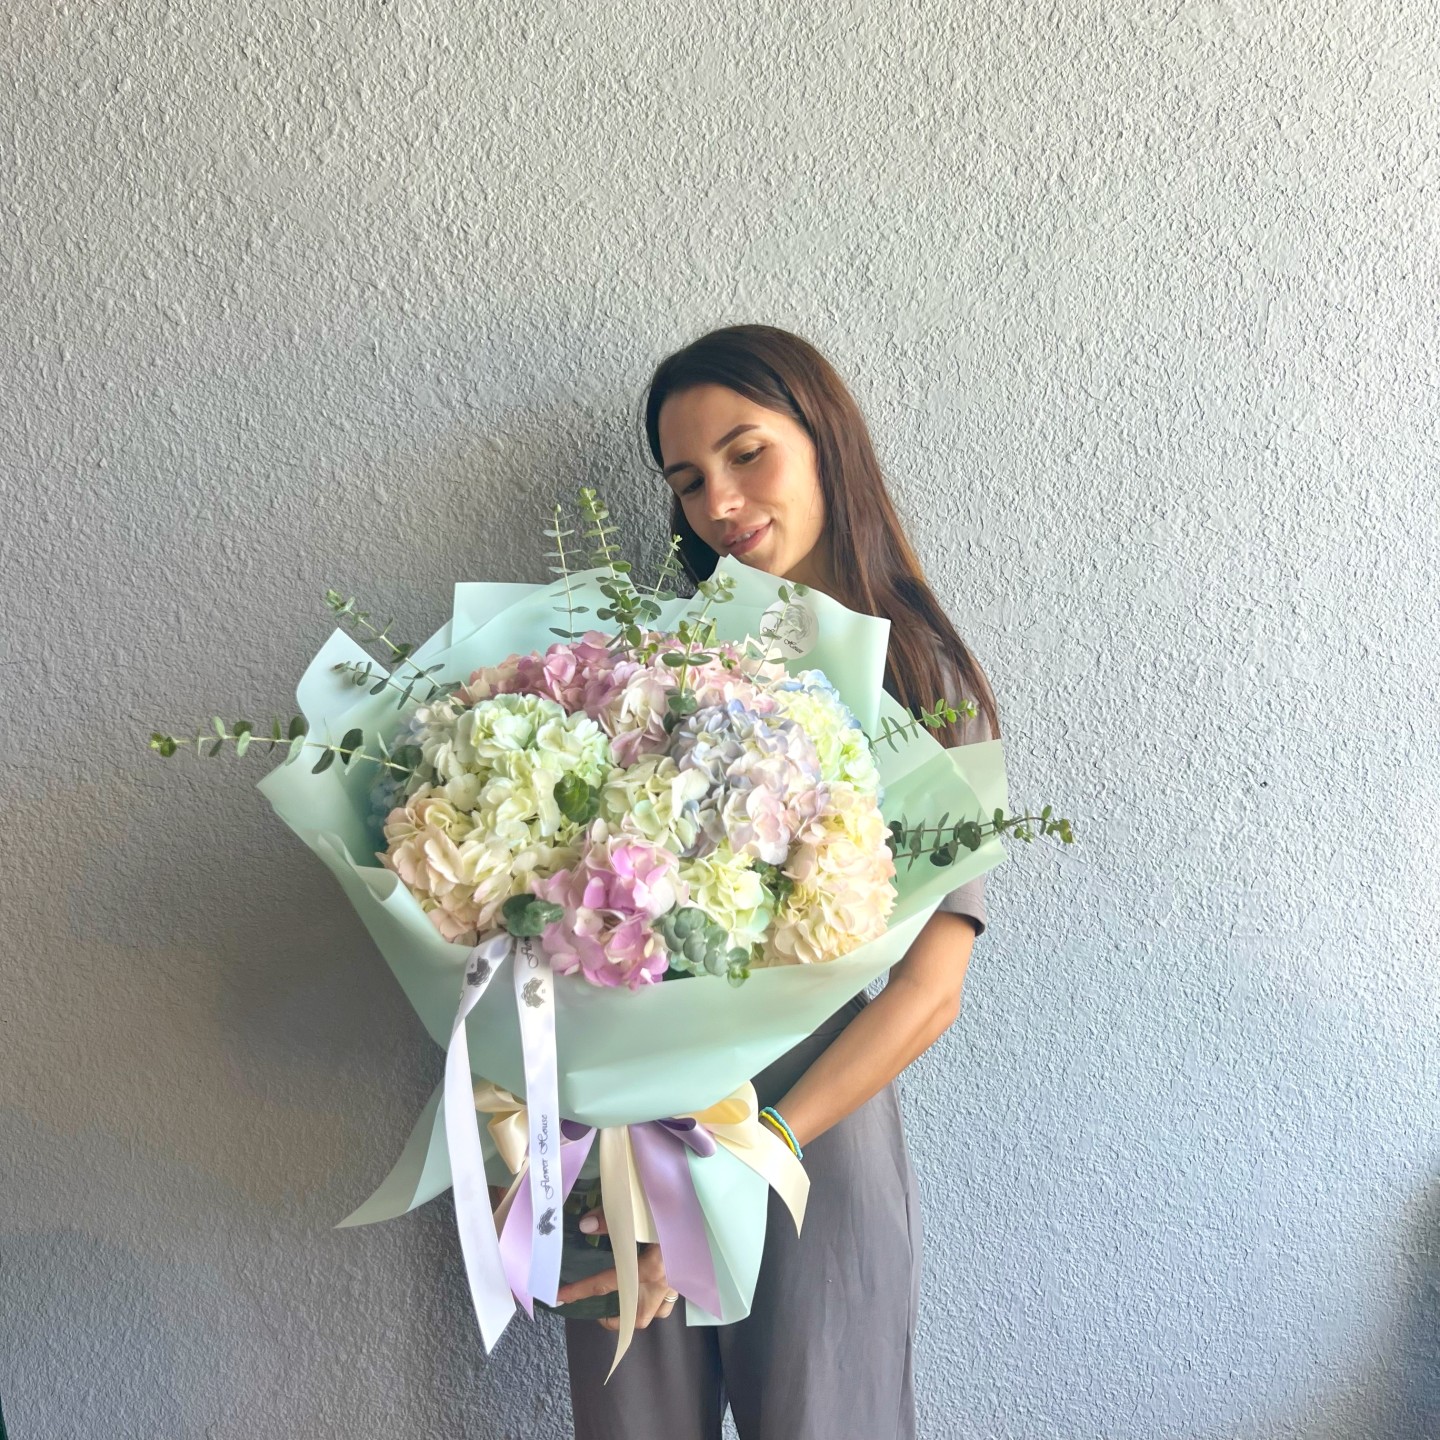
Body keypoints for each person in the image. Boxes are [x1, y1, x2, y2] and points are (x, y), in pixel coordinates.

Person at [556, 324, 1001, 1440]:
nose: (721, 501)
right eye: (689, 478)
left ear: (825, 442)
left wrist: (747, 1165)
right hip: (630, 1144)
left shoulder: (925, 683)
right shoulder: (645, 670)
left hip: (809, 1159)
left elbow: (926, 993)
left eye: (747, 454)